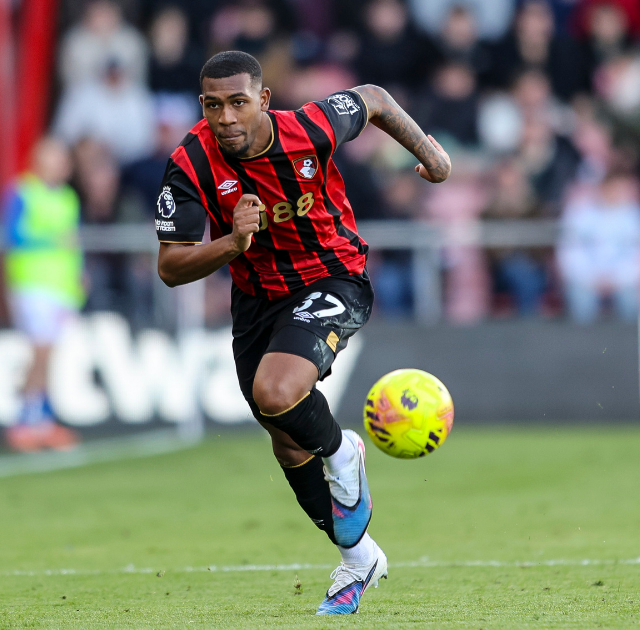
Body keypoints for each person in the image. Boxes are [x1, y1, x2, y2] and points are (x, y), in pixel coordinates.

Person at [154, 51, 451, 614]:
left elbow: (377, 99)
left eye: (239, 102)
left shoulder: (309, 127)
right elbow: (171, 267)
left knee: (275, 392)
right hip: (257, 300)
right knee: (286, 438)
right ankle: (359, 557)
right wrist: (231, 246)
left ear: (264, 100)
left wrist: (433, 157)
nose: (227, 118)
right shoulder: (189, 161)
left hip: (334, 276)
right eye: (213, 106)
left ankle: (344, 452)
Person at [1, 138, 83, 452]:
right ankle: (24, 418)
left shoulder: (68, 198)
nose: (63, 165)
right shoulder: (21, 192)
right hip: (32, 283)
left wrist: (79, 274)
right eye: (57, 159)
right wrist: (51, 239)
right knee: (40, 351)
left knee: (50, 355)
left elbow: (73, 243)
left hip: (61, 287)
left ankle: (41, 421)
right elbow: (13, 235)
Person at [557, 169, 640, 324]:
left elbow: (637, 255)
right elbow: (570, 251)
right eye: (612, 188)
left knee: (630, 301)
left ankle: (629, 344)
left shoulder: (636, 216)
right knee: (581, 301)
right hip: (586, 279)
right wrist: (590, 277)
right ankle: (582, 345)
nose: (616, 193)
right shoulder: (579, 213)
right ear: (602, 188)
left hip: (622, 280)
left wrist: (616, 278)